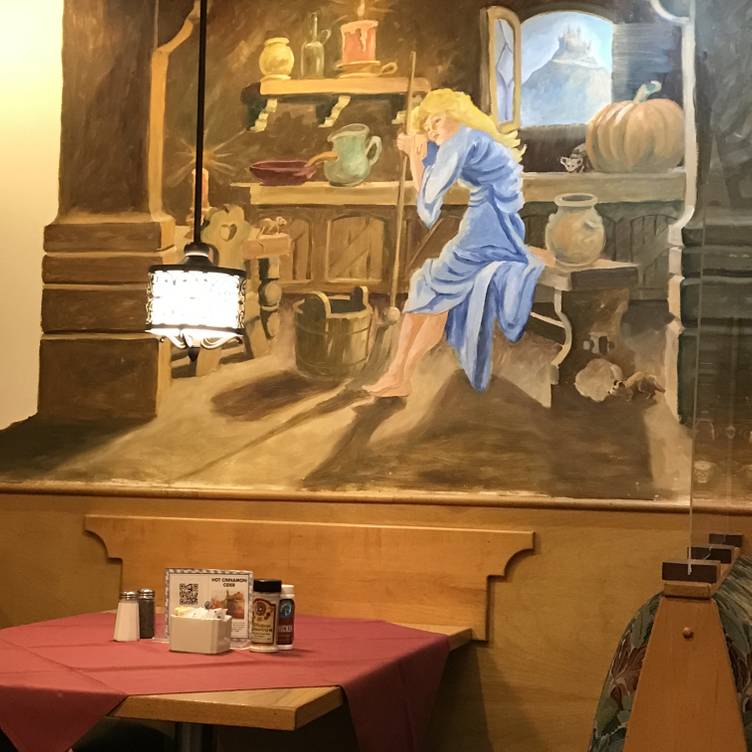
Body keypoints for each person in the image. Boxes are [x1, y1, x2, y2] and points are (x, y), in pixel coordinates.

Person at [365, 88, 544, 398]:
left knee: (430, 287)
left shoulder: (462, 138)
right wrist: (420, 149)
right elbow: (435, 176)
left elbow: (427, 205)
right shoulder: (474, 139)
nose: (432, 131)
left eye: (436, 121)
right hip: (496, 226)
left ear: (456, 115)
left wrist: (415, 157)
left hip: (486, 229)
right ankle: (399, 373)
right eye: (427, 126)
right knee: (431, 292)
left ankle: (399, 374)